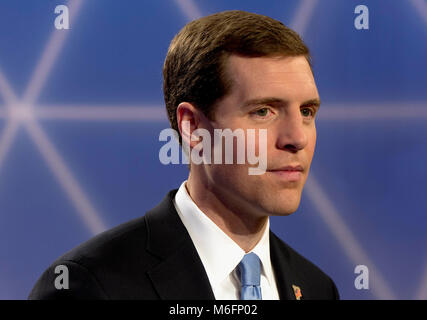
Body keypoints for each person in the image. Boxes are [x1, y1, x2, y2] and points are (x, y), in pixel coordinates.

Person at [29, 10, 339, 300]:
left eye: (307, 111)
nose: (297, 138)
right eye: (263, 111)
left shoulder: (316, 288)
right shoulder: (90, 286)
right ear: (193, 127)